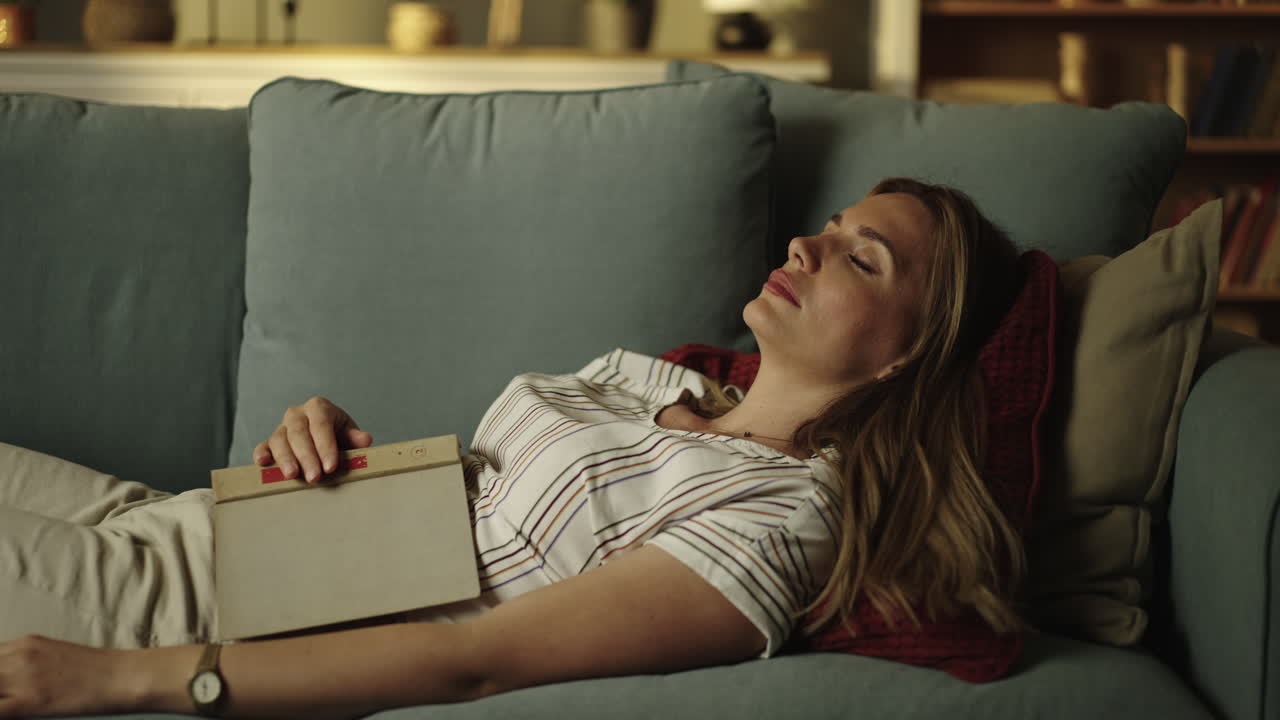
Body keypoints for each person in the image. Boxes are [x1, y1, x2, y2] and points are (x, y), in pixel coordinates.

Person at [0, 178, 1027, 718]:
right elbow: (476, 507)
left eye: (862, 256)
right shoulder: (658, 379)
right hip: (186, 519)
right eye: (831, 223)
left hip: (192, 615)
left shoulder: (780, 518)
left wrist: (124, 681)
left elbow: (469, 660)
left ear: (908, 357)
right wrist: (316, 435)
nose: (807, 244)